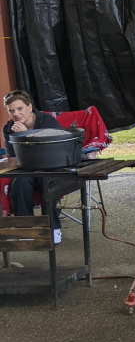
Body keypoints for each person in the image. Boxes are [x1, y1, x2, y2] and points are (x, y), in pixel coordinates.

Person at [2, 90, 66, 242]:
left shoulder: (46, 120)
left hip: (53, 166)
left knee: (45, 182)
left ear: (29, 107)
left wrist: (27, 134)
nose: (16, 114)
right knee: (19, 183)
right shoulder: (9, 128)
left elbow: (56, 149)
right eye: (11, 111)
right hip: (28, 169)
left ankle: (53, 228)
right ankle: (26, 229)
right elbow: (13, 158)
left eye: (20, 108)